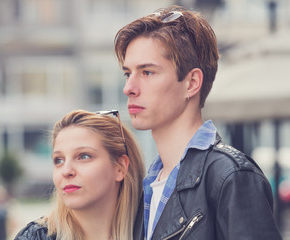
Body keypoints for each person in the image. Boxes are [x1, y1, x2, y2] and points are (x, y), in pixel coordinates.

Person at [114, 5, 282, 240]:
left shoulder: (231, 176)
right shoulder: (146, 186)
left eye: (147, 72)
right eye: (127, 73)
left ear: (192, 82)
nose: (128, 88)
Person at [14, 110, 145, 240]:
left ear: (120, 167)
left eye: (83, 156)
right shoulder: (35, 237)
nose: (66, 171)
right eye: (59, 160)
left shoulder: (153, 231)